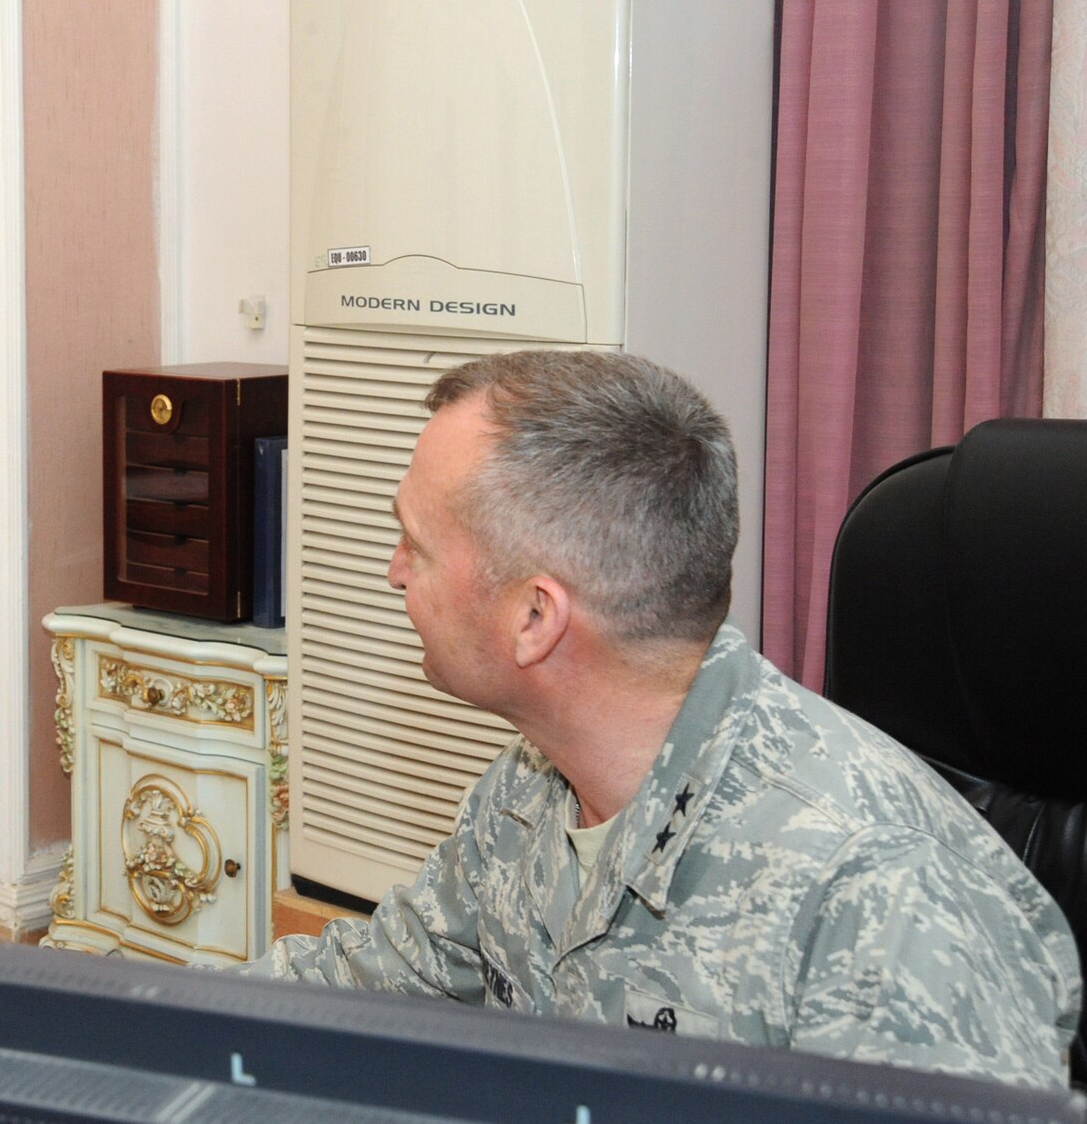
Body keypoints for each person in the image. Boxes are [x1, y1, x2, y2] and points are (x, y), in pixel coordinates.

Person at [241, 350, 1079, 1091]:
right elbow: (371, 984)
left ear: (537, 617)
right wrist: (137, 1024)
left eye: (414, 545)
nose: (393, 573)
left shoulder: (875, 892)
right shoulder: (531, 789)